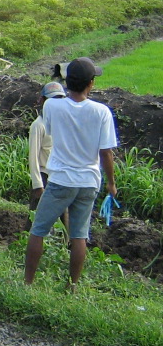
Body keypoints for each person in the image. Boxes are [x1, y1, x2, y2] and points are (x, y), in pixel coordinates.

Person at [24, 58, 118, 288]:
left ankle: (28, 283)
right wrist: (111, 184)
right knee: (79, 235)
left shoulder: (51, 106)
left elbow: (53, 129)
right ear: (91, 83)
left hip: (61, 179)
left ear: (67, 82)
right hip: (88, 181)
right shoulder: (101, 112)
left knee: (38, 231)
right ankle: (72, 285)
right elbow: (106, 153)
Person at [28, 81, 69, 231]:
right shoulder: (38, 125)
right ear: (43, 101)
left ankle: (65, 247)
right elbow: (33, 157)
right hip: (44, 176)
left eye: (59, 99)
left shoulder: (62, 123)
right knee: (35, 216)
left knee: (64, 217)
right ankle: (25, 247)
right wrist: (37, 184)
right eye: (51, 100)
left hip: (59, 176)